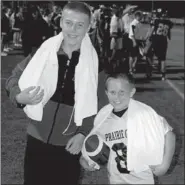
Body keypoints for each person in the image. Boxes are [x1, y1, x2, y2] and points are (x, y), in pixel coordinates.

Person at [5, 2, 99, 185]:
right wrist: (18, 97)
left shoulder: (96, 62)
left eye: (80, 25)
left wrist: (82, 134)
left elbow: (98, 103)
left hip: (70, 143)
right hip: (36, 138)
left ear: (89, 27)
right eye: (69, 22)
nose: (73, 29)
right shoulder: (44, 52)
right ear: (61, 22)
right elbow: (13, 79)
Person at [80, 73, 176, 184]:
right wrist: (85, 159)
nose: (117, 97)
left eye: (122, 92)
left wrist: (164, 165)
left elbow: (169, 134)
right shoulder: (104, 119)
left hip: (143, 179)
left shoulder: (142, 114)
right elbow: (93, 142)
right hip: (116, 180)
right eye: (113, 92)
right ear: (106, 93)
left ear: (132, 92)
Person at [128, 11, 143, 75]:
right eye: (141, 16)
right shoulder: (133, 23)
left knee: (137, 55)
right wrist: (134, 41)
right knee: (132, 56)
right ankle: (130, 69)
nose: (142, 17)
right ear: (137, 16)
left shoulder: (138, 23)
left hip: (137, 40)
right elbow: (132, 33)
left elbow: (138, 32)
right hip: (132, 40)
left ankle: (133, 66)